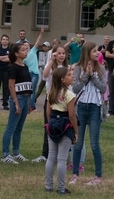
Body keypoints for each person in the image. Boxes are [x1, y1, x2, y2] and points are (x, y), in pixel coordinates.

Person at [69, 42, 105, 186]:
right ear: (87, 53)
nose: (98, 53)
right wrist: (85, 76)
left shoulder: (101, 68)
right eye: (94, 51)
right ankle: (75, 174)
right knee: (77, 143)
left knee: (95, 144)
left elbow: (103, 89)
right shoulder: (78, 68)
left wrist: (93, 76)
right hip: (82, 108)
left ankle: (98, 176)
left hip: (95, 108)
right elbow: (75, 89)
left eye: (98, 51)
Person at [44, 67, 78, 195]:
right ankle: (61, 188)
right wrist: (76, 132)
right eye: (69, 75)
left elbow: (48, 111)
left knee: (51, 157)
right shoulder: (69, 95)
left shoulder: (51, 92)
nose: (72, 76)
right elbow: (72, 116)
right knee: (62, 159)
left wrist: (50, 123)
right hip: (65, 125)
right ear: (63, 80)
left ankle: (48, 186)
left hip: (52, 123)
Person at [35, 44, 70, 164]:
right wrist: (51, 60)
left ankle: (60, 153)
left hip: (64, 100)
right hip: (51, 99)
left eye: (63, 53)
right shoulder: (50, 66)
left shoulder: (67, 67)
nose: (61, 55)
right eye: (59, 53)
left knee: (63, 126)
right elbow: (45, 75)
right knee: (49, 125)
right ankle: (46, 154)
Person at [1, 43, 33, 163]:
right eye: (23, 50)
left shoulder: (25, 66)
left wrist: (29, 102)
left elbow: (27, 86)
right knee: (11, 127)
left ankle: (16, 153)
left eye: (26, 49)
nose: (26, 51)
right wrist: (16, 102)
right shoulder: (13, 67)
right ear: (16, 53)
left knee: (19, 128)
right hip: (18, 98)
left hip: (25, 99)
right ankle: (5, 155)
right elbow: (11, 85)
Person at [23, 28, 45, 112]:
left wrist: (41, 33)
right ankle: (30, 106)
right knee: (29, 90)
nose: (26, 46)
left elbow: (38, 41)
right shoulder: (23, 55)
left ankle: (31, 106)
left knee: (32, 89)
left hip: (35, 74)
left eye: (28, 45)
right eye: (25, 45)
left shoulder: (33, 50)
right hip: (28, 74)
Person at [0, 35, 11, 110]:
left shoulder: (10, 50)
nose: (5, 41)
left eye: (6, 39)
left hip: (6, 70)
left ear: (8, 41)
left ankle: (5, 104)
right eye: (3, 39)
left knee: (6, 87)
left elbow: (10, 59)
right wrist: (4, 57)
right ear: (1, 41)